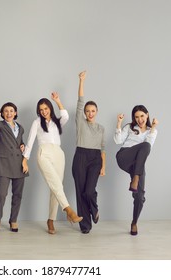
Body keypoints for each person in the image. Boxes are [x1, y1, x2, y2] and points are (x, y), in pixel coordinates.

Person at [23, 92, 82, 234]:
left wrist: (58, 101)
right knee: (55, 183)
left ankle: (50, 220)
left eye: (46, 108)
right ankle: (69, 210)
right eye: (41, 110)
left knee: (56, 187)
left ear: (50, 108)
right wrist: (25, 160)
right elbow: (30, 142)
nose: (44, 112)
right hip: (44, 153)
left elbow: (66, 116)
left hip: (58, 154)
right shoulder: (36, 122)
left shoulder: (57, 121)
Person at [114, 105, 159, 236]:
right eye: (137, 117)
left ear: (147, 115)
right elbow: (118, 140)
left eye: (142, 116)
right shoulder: (130, 127)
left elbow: (148, 147)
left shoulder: (152, 131)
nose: (140, 120)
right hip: (124, 157)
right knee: (145, 145)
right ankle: (136, 177)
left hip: (138, 165)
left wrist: (154, 127)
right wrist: (119, 123)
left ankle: (134, 222)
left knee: (139, 197)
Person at [72, 71, 106, 234]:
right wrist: (81, 81)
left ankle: (94, 209)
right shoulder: (80, 122)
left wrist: (103, 167)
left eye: (93, 111)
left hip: (95, 159)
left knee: (89, 191)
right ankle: (85, 225)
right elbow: (80, 101)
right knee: (80, 192)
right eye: (87, 111)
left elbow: (103, 149)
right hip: (80, 157)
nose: (90, 113)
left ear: (97, 111)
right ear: (84, 113)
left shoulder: (101, 129)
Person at [0, 102, 29, 233]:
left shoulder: (20, 127)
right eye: (6, 111)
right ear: (2, 113)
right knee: (1, 194)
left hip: (19, 164)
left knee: (18, 195)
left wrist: (22, 145)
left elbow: (19, 142)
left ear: (15, 113)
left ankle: (13, 220)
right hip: (4, 164)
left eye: (11, 111)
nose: (9, 113)